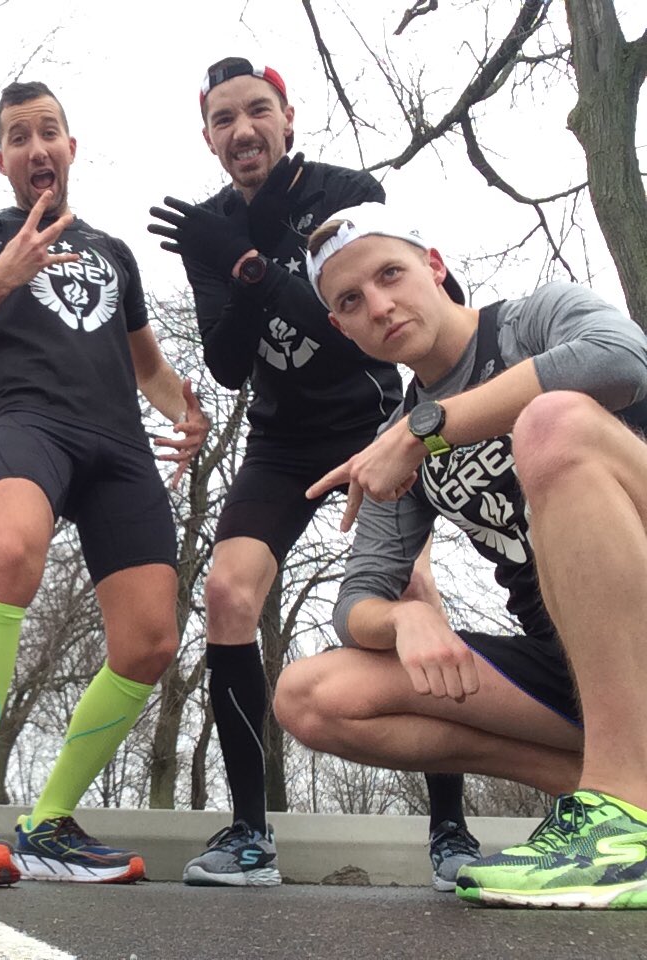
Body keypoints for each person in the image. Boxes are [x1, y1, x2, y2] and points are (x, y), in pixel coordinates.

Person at [147, 57, 475, 888]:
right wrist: (233, 264)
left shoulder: (345, 192)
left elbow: (354, 330)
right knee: (228, 593)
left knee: (410, 593)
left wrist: (251, 267)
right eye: (224, 119)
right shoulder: (209, 226)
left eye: (258, 110)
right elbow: (226, 364)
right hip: (280, 441)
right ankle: (249, 834)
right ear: (209, 139)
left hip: (372, 421)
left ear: (287, 119)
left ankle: (451, 830)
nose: (243, 129)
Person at [274, 200, 647, 909]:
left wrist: (427, 429)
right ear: (341, 327)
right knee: (312, 696)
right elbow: (356, 600)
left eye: (390, 274)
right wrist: (402, 619)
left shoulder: (532, 321)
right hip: (576, 666)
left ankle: (623, 815)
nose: (378, 305)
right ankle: (617, 795)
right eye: (350, 301)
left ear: (435, 267)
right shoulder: (395, 444)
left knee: (554, 420)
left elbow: (621, 357)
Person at [0, 81, 207, 886]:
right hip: (31, 423)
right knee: (8, 555)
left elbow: (147, 364)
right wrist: (0, 279)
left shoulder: (115, 251)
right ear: (2, 159)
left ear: (71, 148)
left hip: (119, 445)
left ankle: (49, 824)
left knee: (151, 642)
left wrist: (185, 409)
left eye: (48, 132)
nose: (36, 147)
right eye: (18, 136)